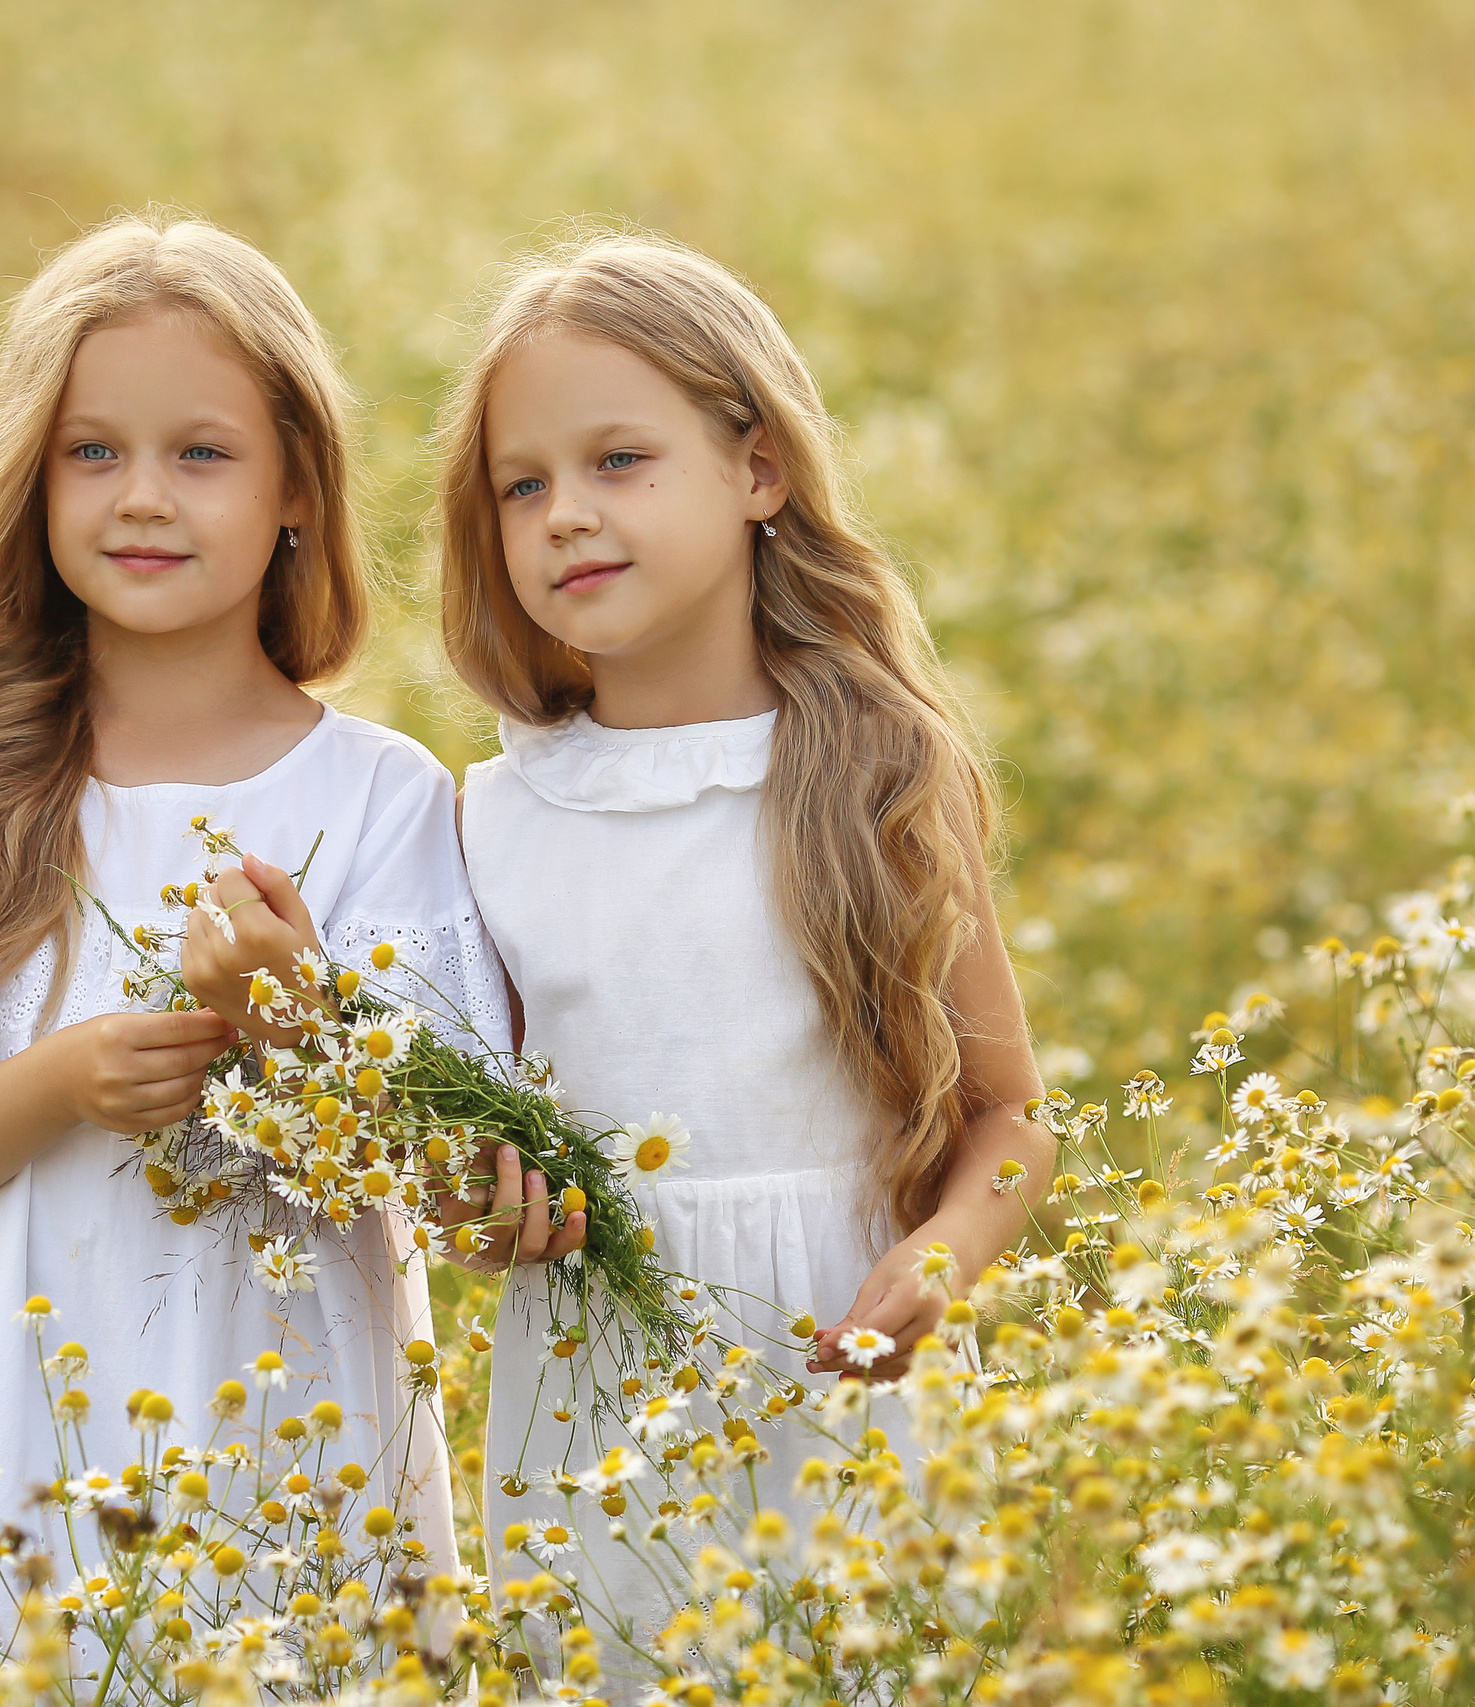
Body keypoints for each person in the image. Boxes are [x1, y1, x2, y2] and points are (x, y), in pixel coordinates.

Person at [0, 214, 506, 1700]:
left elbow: (446, 1183)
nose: (142, 497)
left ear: (296, 488)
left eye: (202, 454)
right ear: (31, 479)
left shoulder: (380, 797)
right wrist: (63, 1079)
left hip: (292, 1439)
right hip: (10, 1432)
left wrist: (297, 1023)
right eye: (91, 453)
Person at [429, 232, 1052, 1669]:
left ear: (758, 471)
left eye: (619, 462)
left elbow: (1010, 1116)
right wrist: (486, 1218)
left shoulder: (880, 767)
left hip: (850, 1369)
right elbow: (474, 1180)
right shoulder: (497, 814)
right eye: (523, 486)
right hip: (599, 1397)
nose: (565, 516)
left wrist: (948, 1254)